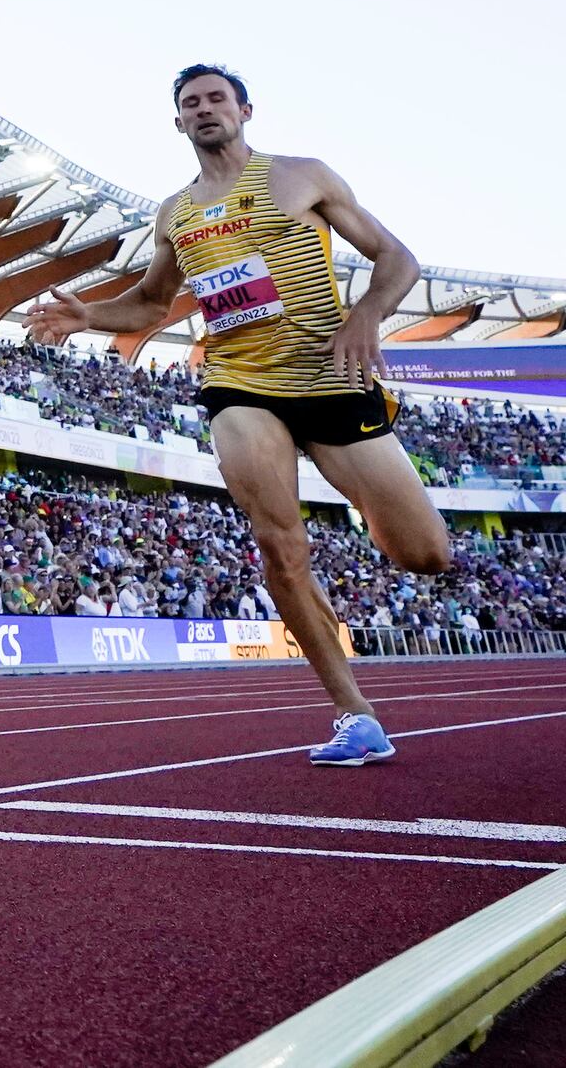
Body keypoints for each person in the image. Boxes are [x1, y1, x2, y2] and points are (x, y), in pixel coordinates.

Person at [28, 64, 452, 767]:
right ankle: (355, 713)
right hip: (238, 382)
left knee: (424, 553)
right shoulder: (175, 213)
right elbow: (151, 303)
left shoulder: (301, 175)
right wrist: (87, 315)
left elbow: (396, 257)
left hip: (330, 372)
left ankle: (376, 514)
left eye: (215, 98)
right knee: (277, 544)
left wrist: (367, 315)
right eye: (190, 103)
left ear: (244, 109)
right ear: (178, 123)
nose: (204, 110)